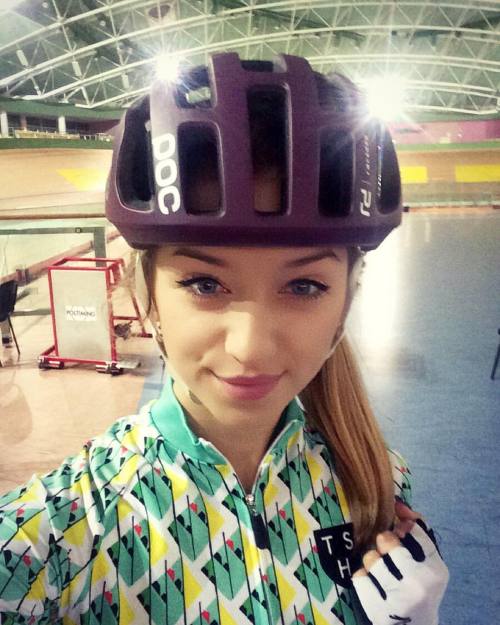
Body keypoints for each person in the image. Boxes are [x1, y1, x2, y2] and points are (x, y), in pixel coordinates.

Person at [0, 52, 448, 624]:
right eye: (205, 282)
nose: (251, 347)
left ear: (346, 301)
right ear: (148, 297)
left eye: (305, 286)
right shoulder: (57, 538)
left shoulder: (377, 481)